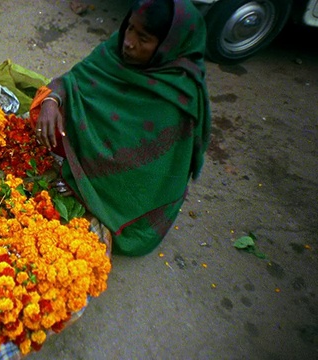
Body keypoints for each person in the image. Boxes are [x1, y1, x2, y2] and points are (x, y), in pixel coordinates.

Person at [30, 0, 211, 256]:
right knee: (45, 107)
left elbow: (146, 175)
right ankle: (81, 175)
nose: (129, 41)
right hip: (97, 149)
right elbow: (74, 79)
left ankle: (91, 188)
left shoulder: (178, 98)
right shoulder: (116, 50)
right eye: (130, 28)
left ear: (168, 47)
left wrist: (86, 183)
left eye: (143, 38)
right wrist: (51, 100)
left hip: (132, 186)